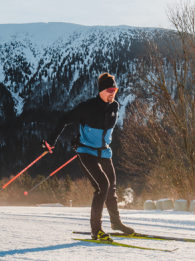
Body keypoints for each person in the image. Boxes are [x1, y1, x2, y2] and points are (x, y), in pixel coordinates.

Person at [43, 73, 135, 241]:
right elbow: (64, 119)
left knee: (111, 188)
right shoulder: (88, 106)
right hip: (86, 152)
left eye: (115, 90)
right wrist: (51, 141)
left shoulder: (114, 106)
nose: (113, 93)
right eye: (110, 90)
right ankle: (96, 230)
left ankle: (116, 223)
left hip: (105, 152)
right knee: (102, 186)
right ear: (101, 90)